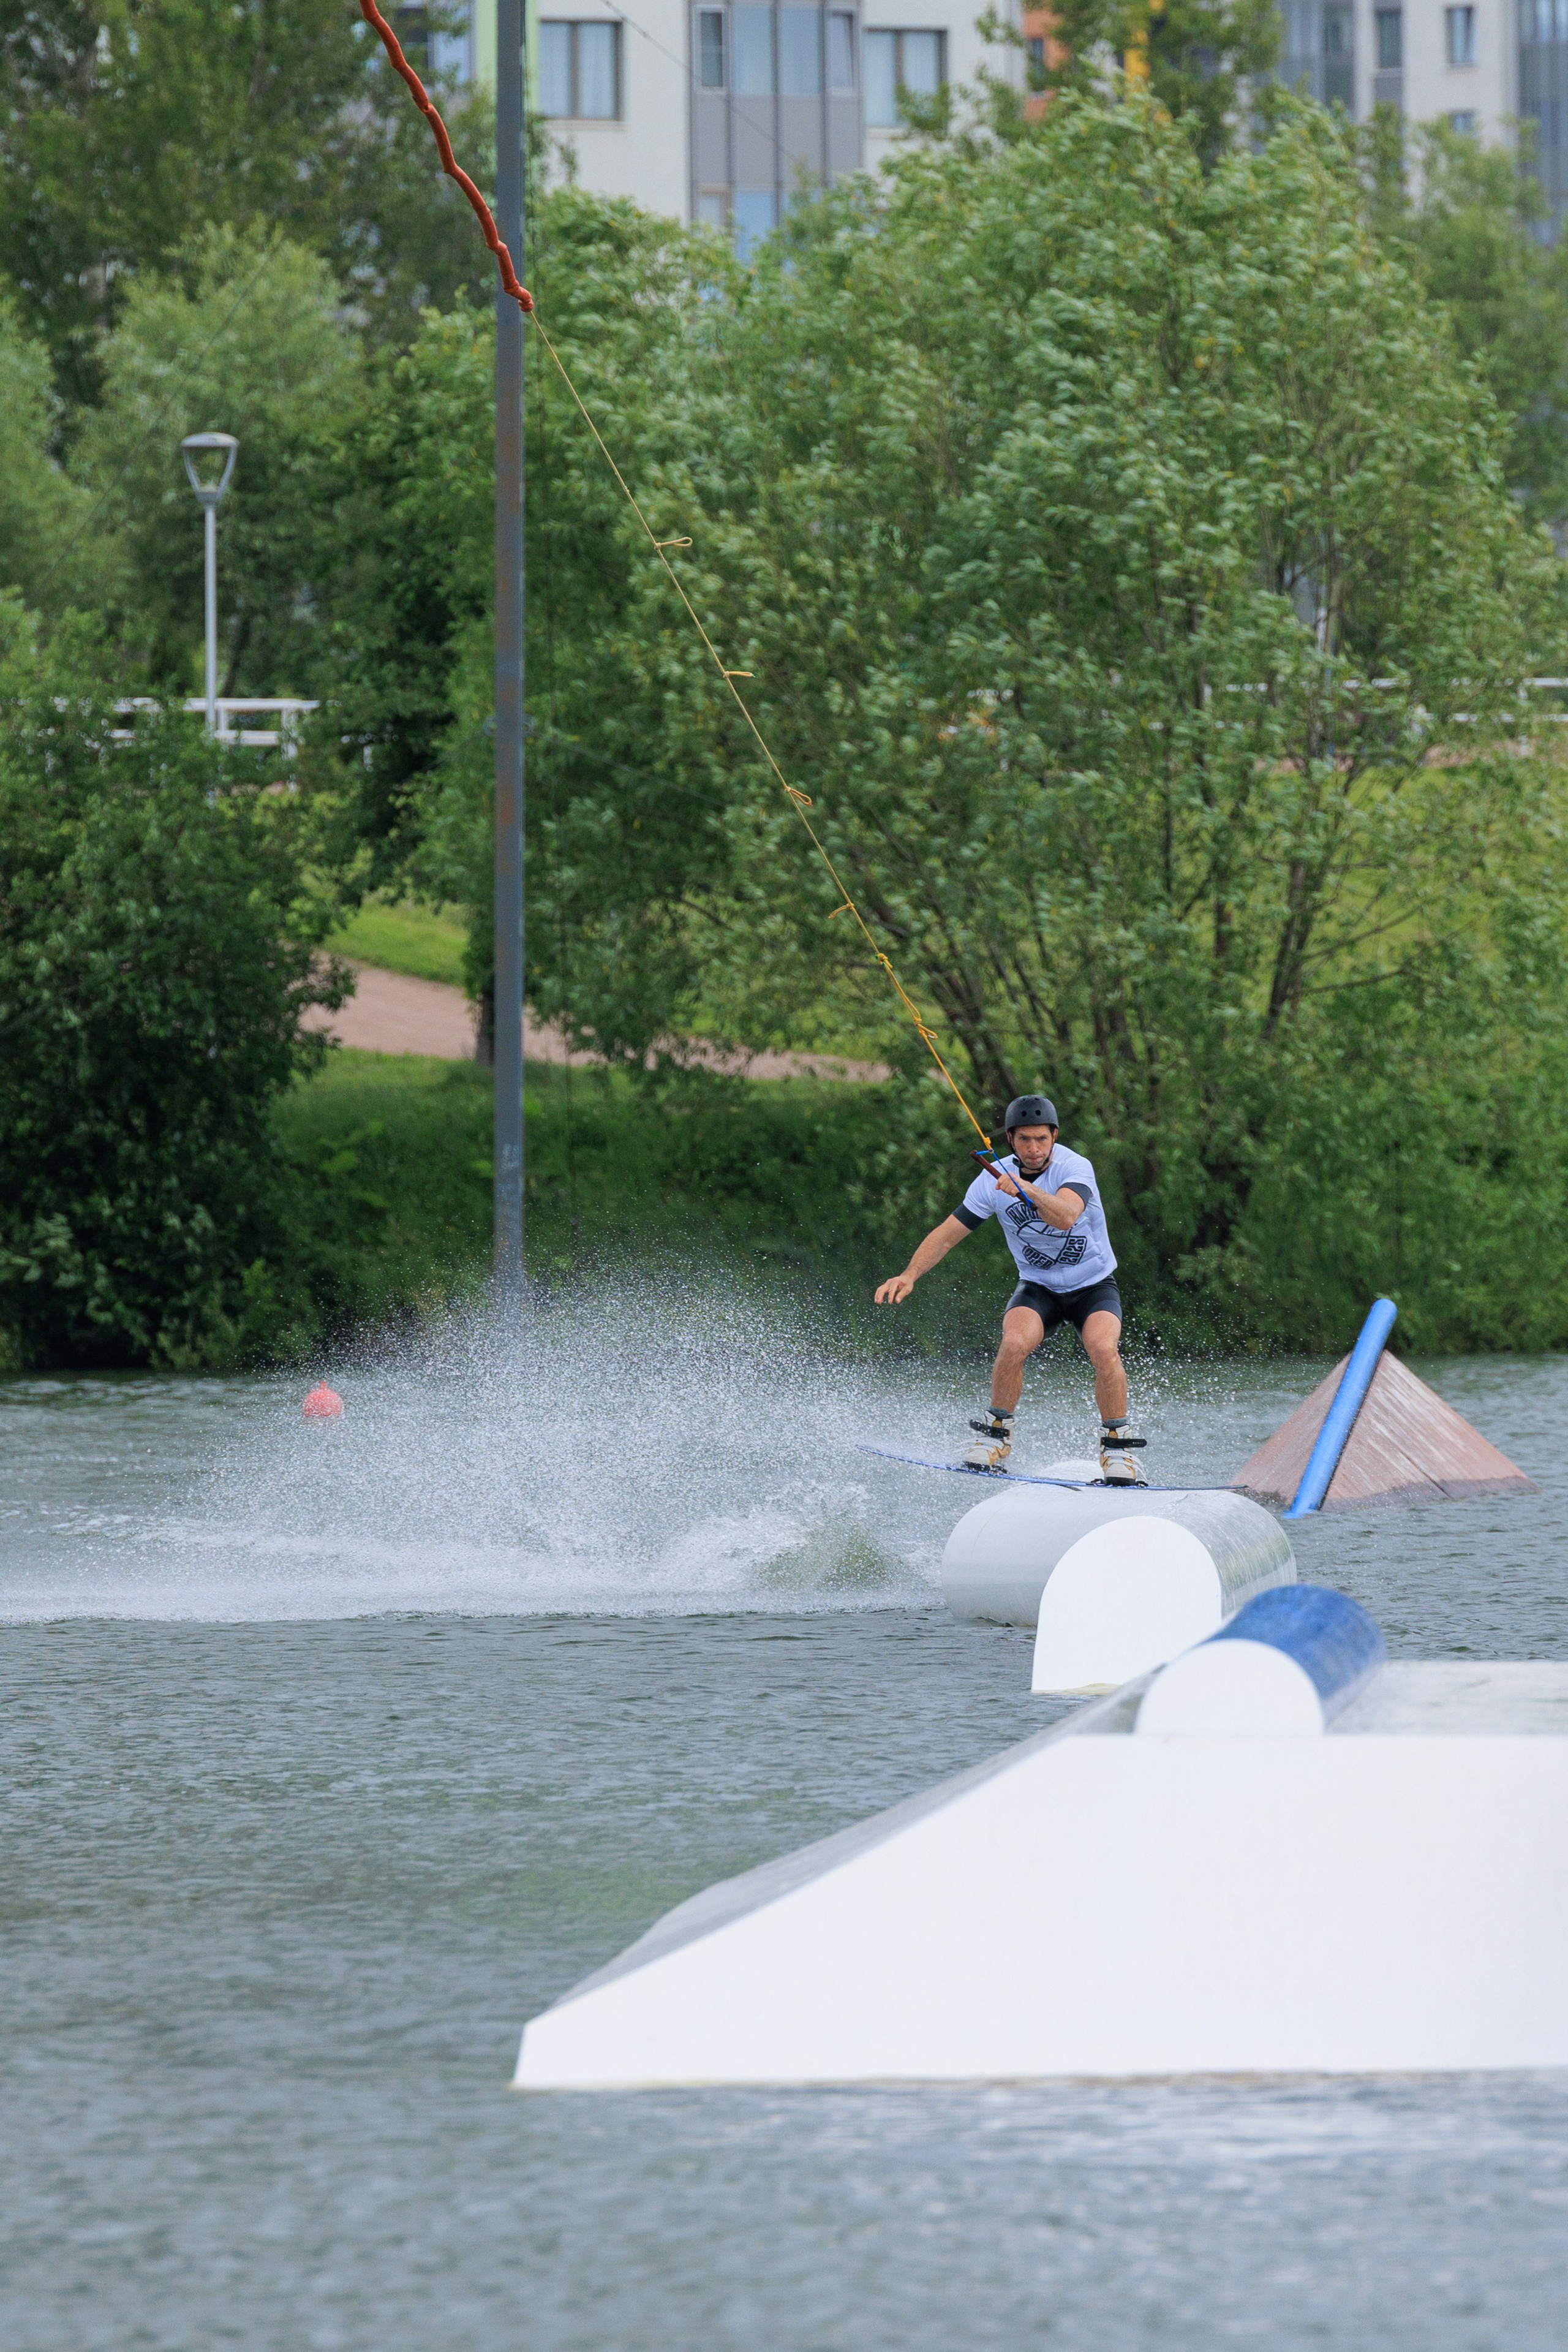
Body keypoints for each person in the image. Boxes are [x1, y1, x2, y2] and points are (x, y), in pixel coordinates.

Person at [873, 1094, 1146, 1482]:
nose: (1033, 1149)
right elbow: (948, 1235)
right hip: (1039, 1287)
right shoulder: (990, 1180)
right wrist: (910, 1274)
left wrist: (1022, 1187)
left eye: (1041, 1140)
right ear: (1011, 1141)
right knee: (1015, 1343)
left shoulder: (1075, 1167)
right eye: (1023, 1141)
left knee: (1103, 1349)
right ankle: (995, 1438)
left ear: (1054, 1137)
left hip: (1093, 1285)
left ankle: (1117, 1448)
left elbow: (1067, 1216)